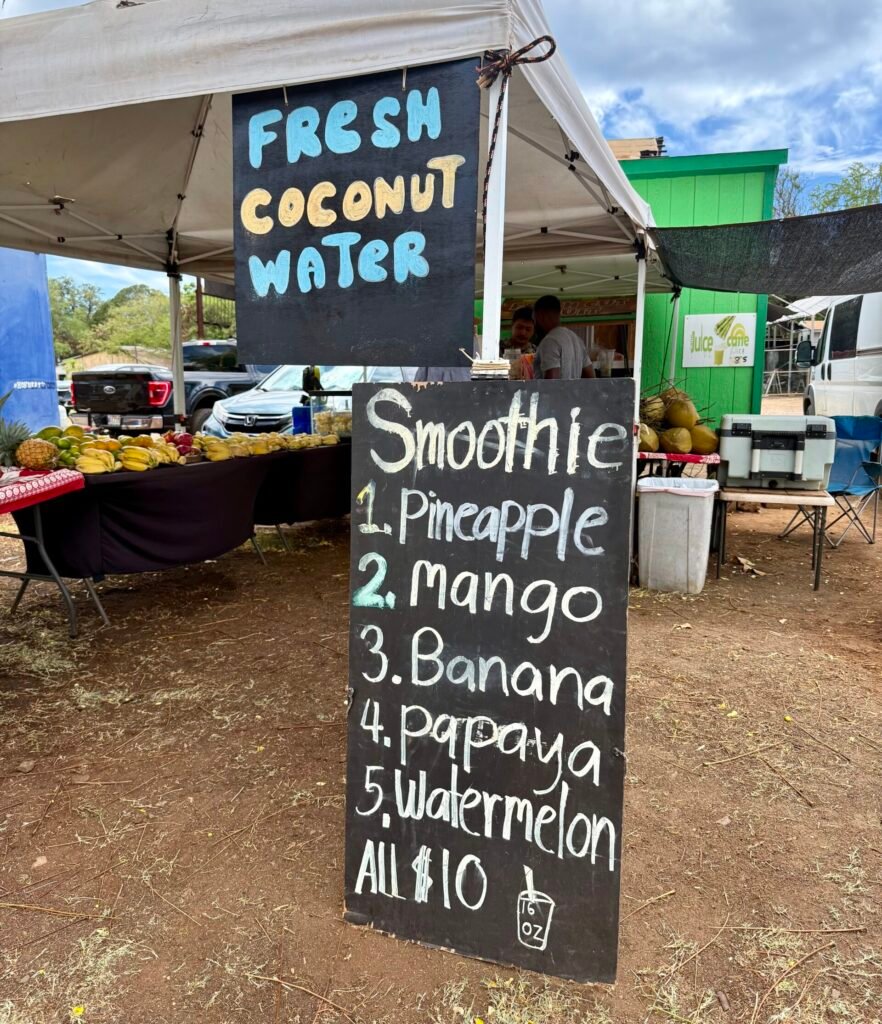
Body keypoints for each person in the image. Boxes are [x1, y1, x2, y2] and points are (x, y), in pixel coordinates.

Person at [533, 295, 595, 380]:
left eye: (535, 319)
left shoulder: (549, 341)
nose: (534, 324)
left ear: (541, 316)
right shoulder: (576, 339)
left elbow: (551, 382)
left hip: (555, 393)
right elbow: (591, 378)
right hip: (573, 393)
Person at [507, 306, 536, 380]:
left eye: (528, 329)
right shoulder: (498, 349)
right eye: (519, 327)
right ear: (512, 326)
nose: (523, 333)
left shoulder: (537, 352)